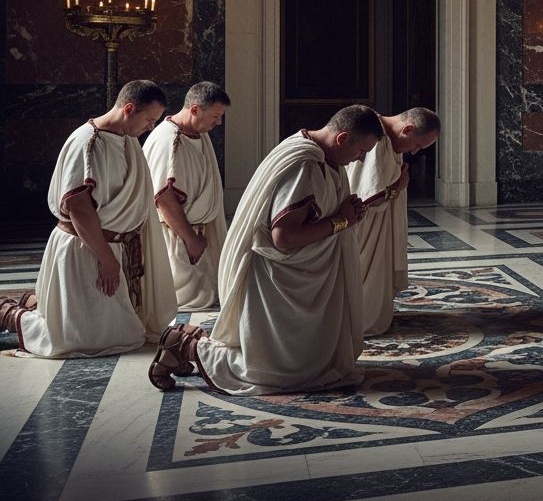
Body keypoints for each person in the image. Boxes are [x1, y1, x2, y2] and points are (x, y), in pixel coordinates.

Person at [147, 105, 383, 394]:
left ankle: (187, 344)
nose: (361, 159)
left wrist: (346, 213)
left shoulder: (317, 154)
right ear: (342, 138)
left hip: (297, 277)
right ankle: (186, 345)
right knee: (276, 370)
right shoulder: (304, 165)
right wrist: (341, 220)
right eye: (361, 151)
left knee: (303, 360)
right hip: (277, 279)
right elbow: (283, 236)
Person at [0, 80, 178, 357]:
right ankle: (10, 313)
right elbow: (78, 206)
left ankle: (36, 304)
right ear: (129, 109)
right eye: (148, 119)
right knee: (77, 340)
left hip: (112, 248)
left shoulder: (125, 139)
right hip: (86, 247)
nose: (151, 128)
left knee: (122, 334)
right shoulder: (88, 142)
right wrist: (106, 259)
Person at [346, 107, 440, 336]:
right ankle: (357, 320)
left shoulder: (388, 138)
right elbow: (366, 194)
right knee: (363, 270)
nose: (415, 152)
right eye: (417, 145)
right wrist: (396, 188)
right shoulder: (375, 139)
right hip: (366, 225)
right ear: (407, 129)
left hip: (381, 223)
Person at [143, 82, 231, 311]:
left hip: (198, 233)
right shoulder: (167, 139)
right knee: (180, 302)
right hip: (177, 237)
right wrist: (191, 239)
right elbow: (163, 197)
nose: (218, 122)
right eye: (216, 116)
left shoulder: (199, 135)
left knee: (206, 298)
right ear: (194, 109)